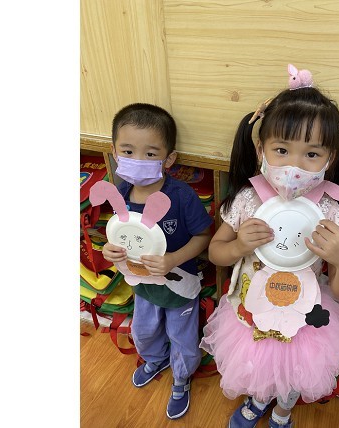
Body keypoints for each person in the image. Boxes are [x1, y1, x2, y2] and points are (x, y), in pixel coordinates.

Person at [200, 65, 339, 428]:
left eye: (311, 154)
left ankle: (283, 411)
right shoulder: (247, 200)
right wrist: (238, 246)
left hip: (305, 317)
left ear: (330, 158)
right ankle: (259, 400)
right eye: (282, 150)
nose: (294, 166)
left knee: (295, 372)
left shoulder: (329, 213)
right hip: (250, 310)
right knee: (258, 365)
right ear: (261, 149)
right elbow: (216, 253)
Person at [102, 103, 213, 420]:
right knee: (144, 330)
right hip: (142, 285)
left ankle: (181, 378)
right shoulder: (121, 194)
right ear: (114, 152)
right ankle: (155, 359)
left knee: (182, 337)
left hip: (179, 286)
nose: (138, 160)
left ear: (169, 158)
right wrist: (110, 250)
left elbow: (204, 236)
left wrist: (173, 259)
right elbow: (119, 236)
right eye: (128, 151)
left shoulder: (181, 195)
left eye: (150, 154)